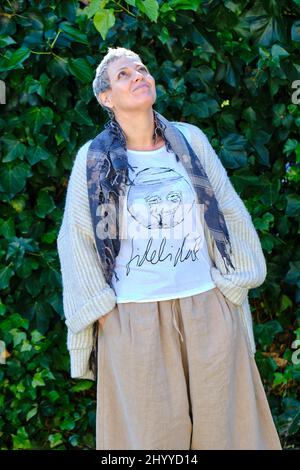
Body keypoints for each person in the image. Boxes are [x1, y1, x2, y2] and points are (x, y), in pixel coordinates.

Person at [56, 46, 282, 450]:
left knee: (228, 435)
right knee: (150, 441)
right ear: (105, 97)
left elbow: (228, 209)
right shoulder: (93, 160)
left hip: (207, 308)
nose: (138, 76)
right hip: (133, 319)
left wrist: (234, 285)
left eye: (141, 69)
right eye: (124, 75)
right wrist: (104, 314)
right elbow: (77, 241)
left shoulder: (189, 141)